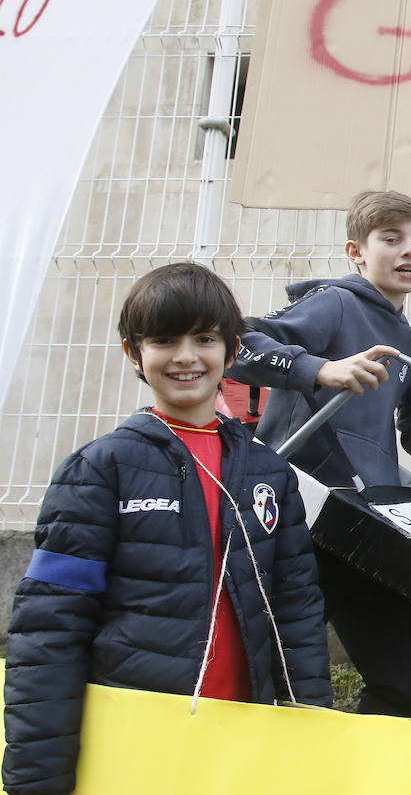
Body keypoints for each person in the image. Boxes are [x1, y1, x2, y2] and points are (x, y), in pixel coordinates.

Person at [2, 263, 332, 795]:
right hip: (133, 746)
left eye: (204, 338)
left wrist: (312, 736)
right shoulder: (100, 469)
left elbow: (296, 612)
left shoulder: (269, 473)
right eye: (163, 340)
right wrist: (38, 779)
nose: (185, 356)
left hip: (240, 744)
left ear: (232, 350)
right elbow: (49, 631)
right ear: (135, 353)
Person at [228, 190, 411, 718]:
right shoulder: (334, 301)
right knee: (276, 660)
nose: (409, 252)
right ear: (356, 252)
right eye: (391, 239)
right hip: (302, 509)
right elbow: (239, 346)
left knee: (408, 666)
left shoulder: (404, 337)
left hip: (364, 517)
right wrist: (318, 369)